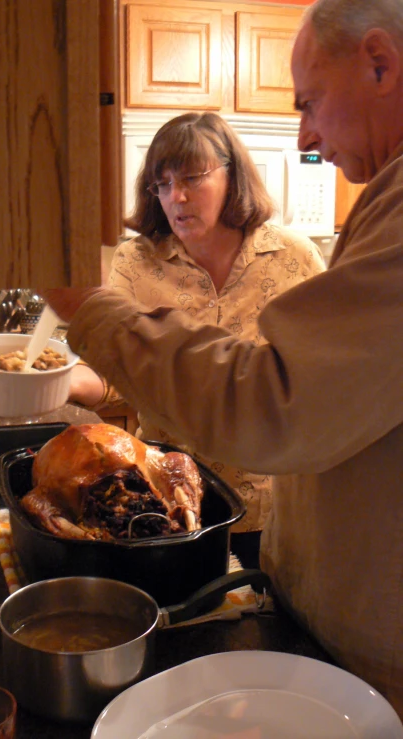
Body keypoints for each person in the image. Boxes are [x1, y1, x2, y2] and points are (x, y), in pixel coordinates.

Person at [44, 0, 403, 715]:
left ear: (380, 63)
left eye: (310, 102)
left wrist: (89, 308)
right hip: (324, 625)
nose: (307, 134)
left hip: (376, 662)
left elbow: (275, 401)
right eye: (162, 185)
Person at [69, 112, 325, 568]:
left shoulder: (294, 258)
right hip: (168, 503)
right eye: (161, 184)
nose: (177, 197)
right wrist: (64, 383)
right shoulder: (137, 261)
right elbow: (119, 379)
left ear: (234, 176)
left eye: (192, 178)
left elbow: (319, 383)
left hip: (275, 505)